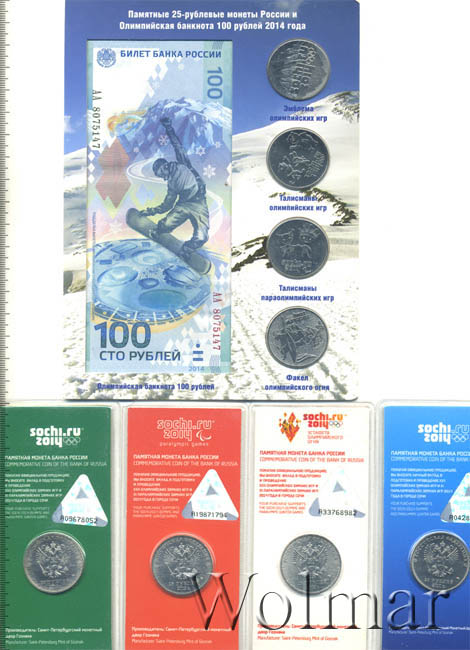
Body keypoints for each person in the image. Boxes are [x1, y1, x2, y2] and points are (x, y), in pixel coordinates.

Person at [126, 117, 209, 262]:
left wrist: (169, 128)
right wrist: (149, 211)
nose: (163, 178)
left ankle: (186, 250)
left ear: (165, 166)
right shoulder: (171, 185)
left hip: (199, 204)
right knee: (166, 224)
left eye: (161, 174)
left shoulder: (182, 163)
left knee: (202, 237)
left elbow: (177, 145)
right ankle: (158, 231)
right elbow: (167, 205)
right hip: (183, 205)